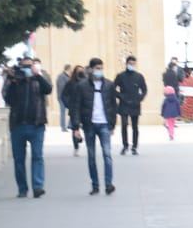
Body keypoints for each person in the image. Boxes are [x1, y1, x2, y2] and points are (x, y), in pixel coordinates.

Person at [3, 55, 53, 199]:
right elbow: (8, 99)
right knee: (19, 160)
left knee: (37, 156)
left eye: (29, 66)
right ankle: (22, 188)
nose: (26, 69)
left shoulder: (39, 79)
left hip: (37, 125)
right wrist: (13, 81)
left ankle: (38, 187)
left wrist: (37, 75)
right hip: (18, 125)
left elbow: (48, 89)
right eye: (24, 66)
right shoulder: (14, 80)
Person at [70, 57, 119, 195]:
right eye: (97, 68)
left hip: (104, 124)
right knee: (91, 156)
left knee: (107, 154)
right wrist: (76, 127)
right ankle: (95, 185)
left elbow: (113, 106)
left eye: (101, 68)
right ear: (90, 69)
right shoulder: (82, 86)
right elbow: (76, 107)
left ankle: (109, 184)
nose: (99, 71)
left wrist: (112, 124)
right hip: (89, 124)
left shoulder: (109, 85)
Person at [114, 54, 147, 156]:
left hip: (135, 104)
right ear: (126, 64)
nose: (131, 65)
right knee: (124, 125)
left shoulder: (139, 76)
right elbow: (113, 88)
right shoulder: (120, 76)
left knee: (135, 127)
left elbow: (144, 89)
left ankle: (134, 146)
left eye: (133, 63)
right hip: (124, 104)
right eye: (130, 63)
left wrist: (140, 98)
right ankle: (125, 145)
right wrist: (121, 97)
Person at [63, 66, 86, 156]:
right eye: (78, 71)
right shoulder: (70, 83)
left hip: (85, 109)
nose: (80, 73)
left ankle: (83, 140)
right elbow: (64, 95)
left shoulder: (86, 82)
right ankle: (76, 147)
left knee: (87, 127)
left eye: (81, 71)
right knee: (74, 128)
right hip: (74, 108)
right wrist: (68, 104)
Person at [55, 64, 72, 132]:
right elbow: (62, 87)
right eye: (70, 69)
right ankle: (63, 127)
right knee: (63, 112)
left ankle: (70, 125)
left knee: (72, 111)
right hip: (62, 97)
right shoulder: (61, 76)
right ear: (68, 69)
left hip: (68, 97)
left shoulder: (68, 76)